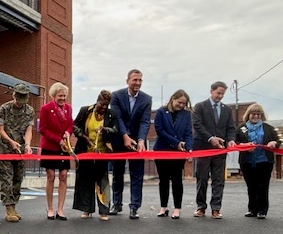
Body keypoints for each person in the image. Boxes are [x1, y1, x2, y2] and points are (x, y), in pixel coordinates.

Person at [109, 69, 152, 219]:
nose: (138, 83)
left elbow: (145, 121)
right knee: (117, 174)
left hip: (136, 143)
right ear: (127, 81)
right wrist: (125, 136)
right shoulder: (116, 96)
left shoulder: (146, 99)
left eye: (140, 80)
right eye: (135, 80)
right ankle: (117, 204)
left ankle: (134, 207)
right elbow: (117, 118)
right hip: (119, 140)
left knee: (137, 175)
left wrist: (141, 140)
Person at [72, 90, 118, 221]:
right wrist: (83, 136)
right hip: (85, 151)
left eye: (106, 105)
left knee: (102, 181)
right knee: (85, 180)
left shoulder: (111, 114)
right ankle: (86, 209)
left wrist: (105, 129)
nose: (104, 107)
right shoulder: (85, 111)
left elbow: (116, 129)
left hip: (102, 153)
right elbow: (74, 125)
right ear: (96, 101)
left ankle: (104, 211)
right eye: (102, 104)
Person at [192, 80, 236, 219]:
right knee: (202, 179)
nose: (220, 96)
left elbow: (230, 128)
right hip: (204, 148)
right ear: (211, 91)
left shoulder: (227, 110)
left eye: (223, 94)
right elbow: (197, 125)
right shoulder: (200, 107)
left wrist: (231, 140)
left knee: (218, 180)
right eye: (218, 93)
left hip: (220, 151)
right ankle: (201, 207)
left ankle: (216, 209)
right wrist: (211, 138)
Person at [0, 83, 35, 223]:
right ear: (14, 96)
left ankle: (14, 205)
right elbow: (0, 129)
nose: (20, 103)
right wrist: (11, 141)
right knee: (7, 178)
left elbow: (29, 130)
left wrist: (28, 144)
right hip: (5, 148)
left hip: (20, 150)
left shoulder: (30, 110)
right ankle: (9, 209)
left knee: (18, 178)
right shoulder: (4, 108)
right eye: (18, 100)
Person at [153, 89, 193, 219]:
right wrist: (176, 142)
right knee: (163, 180)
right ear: (173, 99)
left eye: (183, 103)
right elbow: (160, 130)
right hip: (162, 151)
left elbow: (188, 132)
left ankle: (177, 208)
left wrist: (189, 147)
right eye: (179, 102)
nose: (181, 105)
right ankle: (163, 207)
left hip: (178, 153)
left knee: (177, 180)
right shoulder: (161, 112)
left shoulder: (186, 115)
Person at [235, 103, 279, 219]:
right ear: (248, 115)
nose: (255, 116)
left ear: (262, 116)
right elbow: (235, 142)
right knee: (251, 186)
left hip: (264, 161)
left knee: (263, 186)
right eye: (253, 114)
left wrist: (273, 143)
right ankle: (252, 209)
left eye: (258, 114)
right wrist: (244, 145)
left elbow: (277, 141)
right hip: (247, 161)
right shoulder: (241, 129)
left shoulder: (268, 128)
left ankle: (262, 210)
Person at [39, 82, 73, 220]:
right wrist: (57, 139)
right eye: (60, 96)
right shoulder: (45, 109)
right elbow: (42, 129)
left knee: (64, 175)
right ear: (54, 95)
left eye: (64, 96)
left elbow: (71, 124)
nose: (63, 98)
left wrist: (67, 133)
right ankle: (50, 208)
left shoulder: (68, 108)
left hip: (64, 147)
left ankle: (60, 209)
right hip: (50, 147)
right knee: (51, 176)